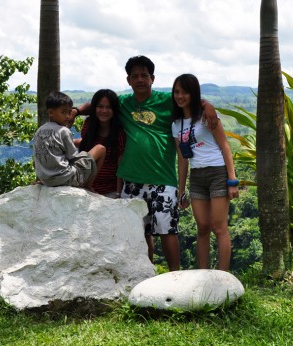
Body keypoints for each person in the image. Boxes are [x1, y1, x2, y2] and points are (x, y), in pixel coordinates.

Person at [73, 56, 218, 271]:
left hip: (162, 178)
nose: (140, 80)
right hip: (131, 179)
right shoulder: (123, 103)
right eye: (135, 76)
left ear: (152, 78)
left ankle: (174, 276)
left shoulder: (165, 100)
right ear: (128, 80)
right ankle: (145, 274)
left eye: (144, 75)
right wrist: (75, 111)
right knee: (140, 232)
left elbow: (190, 100)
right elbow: (95, 105)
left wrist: (209, 106)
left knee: (167, 230)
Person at [171, 73, 239, 271]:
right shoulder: (176, 124)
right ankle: (203, 273)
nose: (180, 96)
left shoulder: (207, 116)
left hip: (218, 172)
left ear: (194, 94)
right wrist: (181, 190)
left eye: (185, 92)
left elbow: (225, 146)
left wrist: (232, 180)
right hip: (197, 176)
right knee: (202, 227)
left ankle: (223, 276)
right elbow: (183, 159)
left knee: (219, 227)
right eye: (176, 92)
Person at [33, 91, 106, 189]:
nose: (67, 116)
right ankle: (88, 186)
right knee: (100, 148)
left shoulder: (39, 131)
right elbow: (73, 158)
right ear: (51, 112)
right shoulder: (64, 131)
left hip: (46, 180)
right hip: (67, 179)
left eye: (69, 112)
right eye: (63, 112)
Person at [75, 89, 126, 198]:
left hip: (110, 191)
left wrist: (118, 193)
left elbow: (120, 164)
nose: (104, 110)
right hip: (86, 188)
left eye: (109, 107)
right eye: (100, 106)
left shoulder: (119, 132)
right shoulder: (88, 126)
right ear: (94, 108)